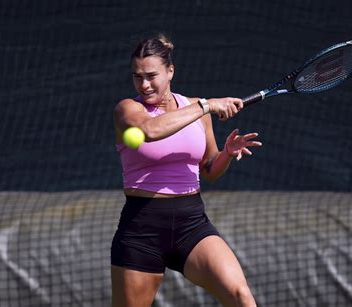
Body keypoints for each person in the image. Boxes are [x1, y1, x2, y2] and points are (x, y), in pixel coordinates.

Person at [111, 34, 261, 307]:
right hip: (141, 229)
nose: (144, 84)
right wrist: (206, 105)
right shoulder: (127, 109)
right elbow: (150, 130)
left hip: (191, 224)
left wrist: (226, 154)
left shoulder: (197, 111)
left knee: (241, 296)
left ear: (170, 71)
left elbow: (209, 170)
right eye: (137, 76)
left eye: (151, 75)